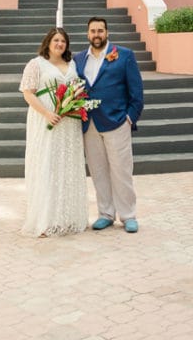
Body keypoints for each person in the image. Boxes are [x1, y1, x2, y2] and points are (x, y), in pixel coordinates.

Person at [74, 16, 144, 234]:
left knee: (122, 170)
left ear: (107, 32)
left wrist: (129, 118)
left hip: (116, 122)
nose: (97, 35)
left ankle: (128, 215)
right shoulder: (78, 59)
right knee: (98, 171)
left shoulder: (124, 56)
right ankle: (105, 213)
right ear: (87, 34)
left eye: (100, 31)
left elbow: (136, 91)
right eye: (93, 31)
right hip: (89, 123)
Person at [19, 27, 88, 237]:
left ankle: (66, 218)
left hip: (69, 123)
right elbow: (27, 93)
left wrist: (73, 106)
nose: (60, 44)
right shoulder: (36, 64)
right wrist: (47, 114)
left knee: (67, 167)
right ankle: (45, 219)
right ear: (48, 42)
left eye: (63, 41)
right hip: (46, 121)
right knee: (46, 166)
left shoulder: (72, 64)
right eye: (56, 40)